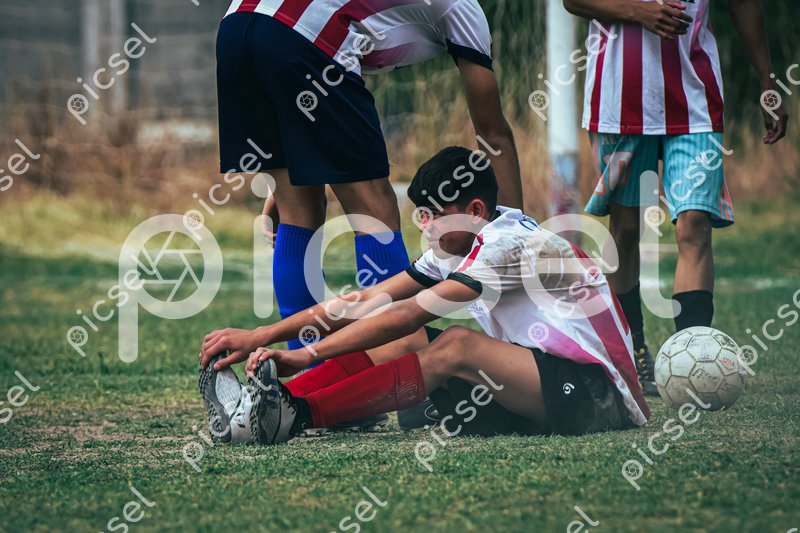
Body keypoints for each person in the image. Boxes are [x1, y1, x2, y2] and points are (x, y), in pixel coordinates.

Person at [198, 147, 650, 445]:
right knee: (404, 339)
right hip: (536, 384)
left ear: (474, 211)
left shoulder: (507, 245)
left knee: (454, 343)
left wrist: (306, 353)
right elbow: (368, 301)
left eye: (433, 215)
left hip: (597, 397)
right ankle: (259, 409)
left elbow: (410, 313)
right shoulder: (461, 240)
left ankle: (296, 414)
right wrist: (264, 333)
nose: (425, 226)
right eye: (422, 215)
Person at [563, 0, 789, 395]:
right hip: (618, 103)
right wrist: (639, 12)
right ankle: (633, 354)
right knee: (625, 230)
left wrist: (767, 85)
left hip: (696, 102)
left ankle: (694, 366)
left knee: (694, 226)